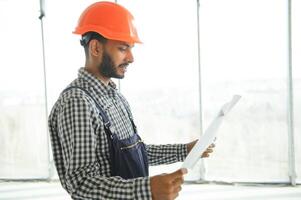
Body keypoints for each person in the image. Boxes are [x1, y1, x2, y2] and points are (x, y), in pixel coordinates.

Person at [48, 1, 214, 200]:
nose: (131, 57)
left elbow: (135, 153)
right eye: (122, 48)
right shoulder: (77, 102)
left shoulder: (116, 98)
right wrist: (147, 189)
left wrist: (185, 150)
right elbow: (81, 183)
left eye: (131, 48)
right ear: (95, 48)